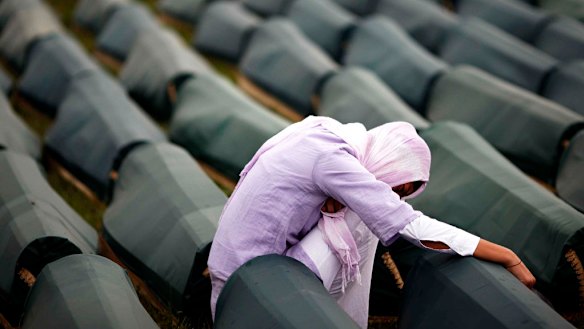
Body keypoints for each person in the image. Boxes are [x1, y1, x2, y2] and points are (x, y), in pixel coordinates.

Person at [208, 116, 535, 327]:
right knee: (366, 220)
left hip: (242, 276)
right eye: (398, 187)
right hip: (251, 290)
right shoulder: (332, 158)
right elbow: (409, 224)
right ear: (390, 162)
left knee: (359, 213)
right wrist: (508, 255)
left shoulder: (324, 134)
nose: (392, 194)